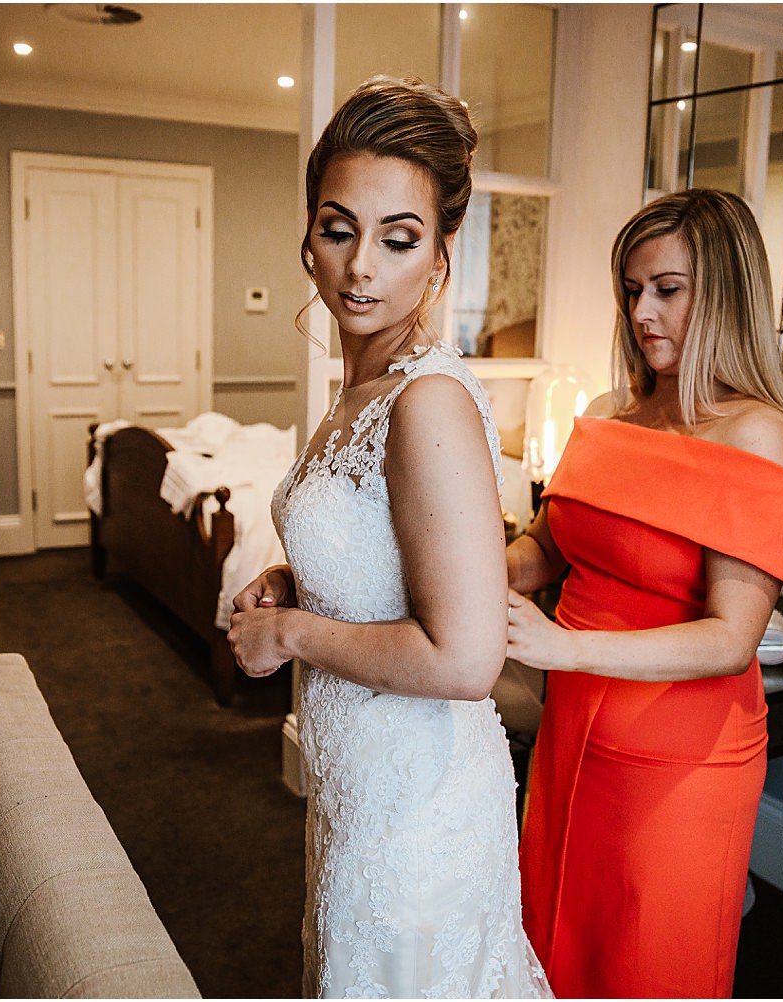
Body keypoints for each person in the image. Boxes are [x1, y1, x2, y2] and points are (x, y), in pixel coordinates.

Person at [227, 76, 550, 1000]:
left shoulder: (429, 402)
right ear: (309, 241)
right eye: (339, 230)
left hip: (421, 810)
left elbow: (465, 659)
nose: (361, 266)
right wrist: (298, 580)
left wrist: (289, 635)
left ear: (441, 256)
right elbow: (380, 563)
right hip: (360, 792)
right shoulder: (357, 394)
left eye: (399, 239)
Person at [506, 188, 783, 998]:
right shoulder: (610, 414)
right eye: (632, 291)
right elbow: (547, 547)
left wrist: (560, 645)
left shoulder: (755, 434)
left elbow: (731, 637)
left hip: (679, 757)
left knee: (646, 963)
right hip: (574, 728)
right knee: (550, 936)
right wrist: (465, 568)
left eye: (667, 289)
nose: (643, 312)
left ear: (726, 294)